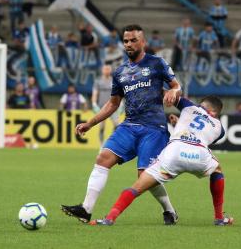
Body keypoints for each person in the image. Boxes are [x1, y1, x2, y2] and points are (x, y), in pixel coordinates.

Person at [61, 24, 182, 225]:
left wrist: (173, 92)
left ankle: (169, 210)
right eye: (126, 41)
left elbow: (177, 86)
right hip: (129, 125)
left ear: (143, 42)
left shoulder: (157, 63)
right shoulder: (120, 72)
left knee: (145, 176)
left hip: (153, 129)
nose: (129, 44)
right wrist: (90, 123)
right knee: (103, 157)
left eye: (133, 40)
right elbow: (113, 103)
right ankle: (86, 209)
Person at [89, 96, 233, 226]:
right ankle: (219, 218)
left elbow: (170, 94)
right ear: (215, 113)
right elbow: (200, 133)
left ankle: (110, 218)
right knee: (217, 169)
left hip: (173, 153)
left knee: (137, 187)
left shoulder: (189, 107)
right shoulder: (219, 128)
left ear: (201, 105)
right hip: (199, 155)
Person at [91, 65, 121, 145]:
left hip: (113, 107)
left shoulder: (114, 81)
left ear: (110, 70)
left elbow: (120, 93)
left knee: (116, 125)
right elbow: (95, 93)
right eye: (105, 69)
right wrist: (94, 104)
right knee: (101, 127)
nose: (107, 70)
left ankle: (112, 142)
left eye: (108, 69)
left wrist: (121, 104)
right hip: (102, 108)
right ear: (102, 70)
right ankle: (101, 145)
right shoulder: (98, 81)